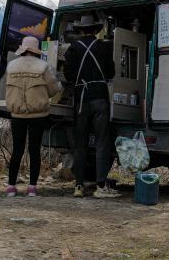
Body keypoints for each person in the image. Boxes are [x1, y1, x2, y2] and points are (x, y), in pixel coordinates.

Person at [63, 13, 119, 198]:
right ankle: (101, 186)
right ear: (95, 30)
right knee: (102, 142)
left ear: (81, 31)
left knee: (80, 144)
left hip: (81, 99)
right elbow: (111, 72)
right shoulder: (103, 47)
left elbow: (68, 75)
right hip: (100, 98)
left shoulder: (73, 48)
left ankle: (79, 186)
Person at [4, 35, 62, 197]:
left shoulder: (11, 66)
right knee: (34, 150)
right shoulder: (43, 66)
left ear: (23, 49)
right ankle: (32, 188)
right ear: (36, 51)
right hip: (38, 115)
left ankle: (11, 187)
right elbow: (53, 89)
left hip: (17, 114)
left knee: (17, 150)